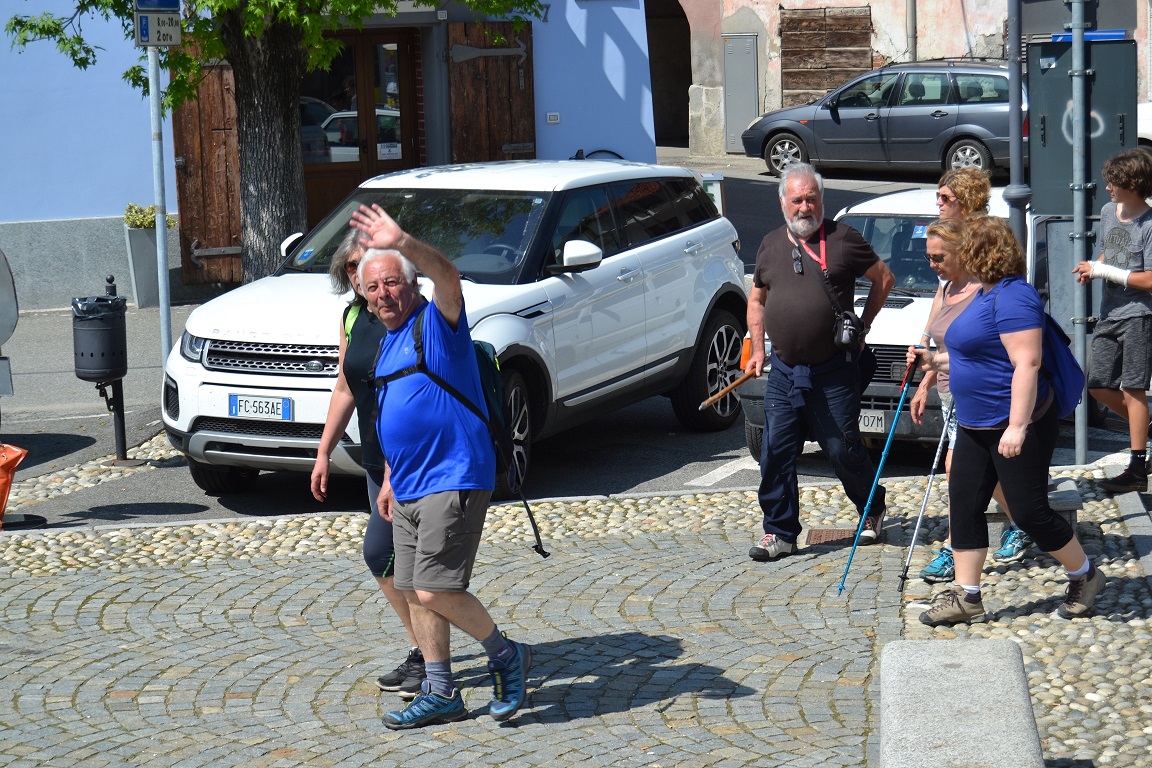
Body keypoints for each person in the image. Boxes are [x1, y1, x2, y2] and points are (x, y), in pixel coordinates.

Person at [351, 203, 531, 730]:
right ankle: (441, 691)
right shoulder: (387, 344)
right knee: (412, 589)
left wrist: (401, 242)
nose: (384, 294)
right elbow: (396, 416)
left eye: (392, 283)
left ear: (412, 284)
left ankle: (506, 655)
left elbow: (449, 277)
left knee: (433, 588)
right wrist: (389, 479)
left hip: (453, 476)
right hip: (407, 484)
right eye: (373, 288)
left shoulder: (436, 324)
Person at [909, 216, 1106, 625]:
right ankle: (967, 597)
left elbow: (1026, 363)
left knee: (1030, 513)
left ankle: (1085, 574)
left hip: (1013, 423)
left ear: (980, 252)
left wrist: (1017, 426)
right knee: (964, 505)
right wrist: (934, 361)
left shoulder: (1015, 296)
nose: (955, 256)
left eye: (963, 248)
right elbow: (977, 355)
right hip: (975, 424)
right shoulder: (985, 293)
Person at [745, 162, 895, 561]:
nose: (804, 207)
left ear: (821, 200)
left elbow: (884, 278)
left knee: (842, 449)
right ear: (783, 203)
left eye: (811, 198)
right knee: (775, 451)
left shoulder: (844, 239)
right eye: (797, 200)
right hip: (784, 372)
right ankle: (780, 533)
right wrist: (758, 350)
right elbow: (757, 300)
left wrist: (863, 325)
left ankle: (872, 507)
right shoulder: (769, 245)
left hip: (833, 371)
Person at [310, 229, 424, 699]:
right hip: (377, 458)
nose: (362, 276)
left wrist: (397, 470)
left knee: (396, 560)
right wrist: (323, 452)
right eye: (353, 267)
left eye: (370, 265)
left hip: (413, 459)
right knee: (391, 560)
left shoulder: (410, 315)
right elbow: (345, 386)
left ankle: (467, 652)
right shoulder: (354, 316)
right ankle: (428, 652)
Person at [1073, 148, 1152, 493]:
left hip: (1139, 315)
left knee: (1133, 387)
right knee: (1097, 385)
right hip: (1110, 313)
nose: (1107, 187)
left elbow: (1150, 279)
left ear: (1132, 185)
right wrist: (1096, 266)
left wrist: (1103, 271)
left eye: (1113, 182)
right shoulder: (1109, 212)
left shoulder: (1149, 224)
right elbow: (1110, 251)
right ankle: (1144, 425)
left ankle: (1136, 468)